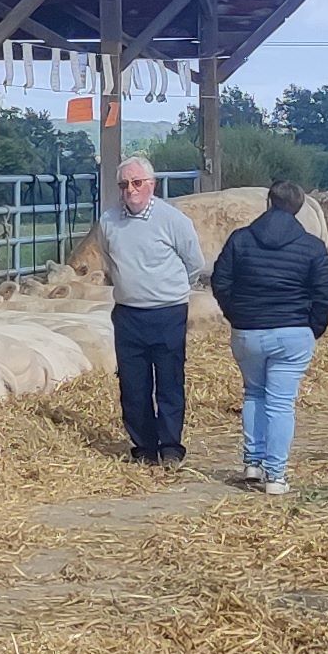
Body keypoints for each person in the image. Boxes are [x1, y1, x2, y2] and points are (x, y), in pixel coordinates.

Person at [210, 179, 328, 495]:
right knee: (280, 403)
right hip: (293, 332)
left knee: (254, 393)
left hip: (248, 331)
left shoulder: (240, 240)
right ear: (298, 209)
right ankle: (277, 476)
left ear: (268, 203)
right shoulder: (311, 247)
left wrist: (237, 315)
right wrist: (313, 327)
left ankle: (253, 463)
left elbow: (220, 282)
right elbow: (326, 292)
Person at [95, 156, 208, 466]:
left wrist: (170, 290)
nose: (130, 190)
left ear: (151, 185)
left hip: (168, 312)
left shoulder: (173, 221)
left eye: (136, 183)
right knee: (133, 384)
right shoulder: (108, 222)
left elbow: (194, 263)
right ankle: (144, 447)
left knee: (169, 380)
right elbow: (109, 259)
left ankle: (170, 446)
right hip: (128, 313)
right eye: (123, 184)